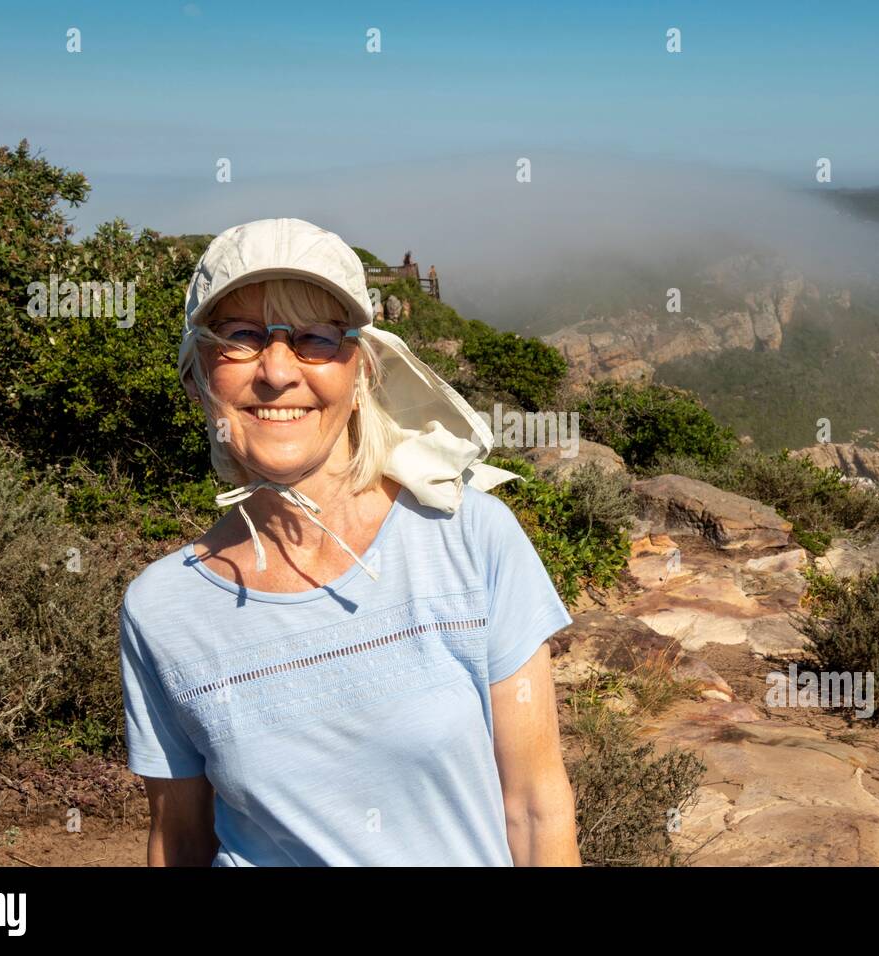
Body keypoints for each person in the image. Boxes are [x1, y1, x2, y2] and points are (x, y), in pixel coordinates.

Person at [119, 217, 580, 866]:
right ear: (196, 377)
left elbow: (536, 808)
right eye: (242, 337)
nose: (278, 372)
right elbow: (179, 841)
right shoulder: (161, 610)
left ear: (361, 371)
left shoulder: (471, 539)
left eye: (315, 339)